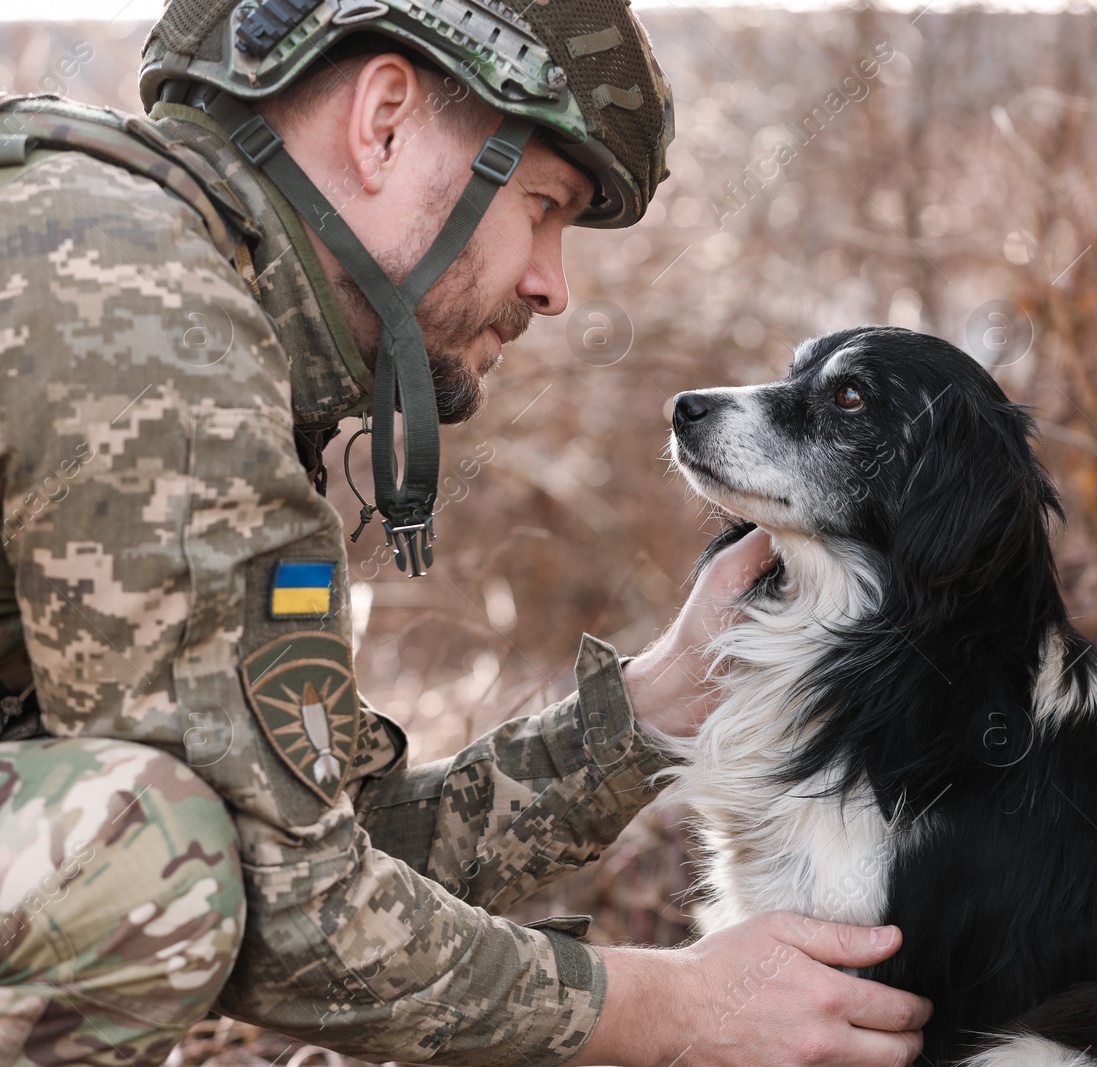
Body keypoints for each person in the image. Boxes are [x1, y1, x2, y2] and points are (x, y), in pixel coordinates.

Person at [0, 0, 932, 1063]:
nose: (553, 284)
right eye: (541, 206)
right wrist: (672, 1007)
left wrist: (647, 710)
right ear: (384, 123)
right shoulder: (133, 290)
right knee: (135, 854)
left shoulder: (188, 285)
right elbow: (288, 902)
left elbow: (306, 838)